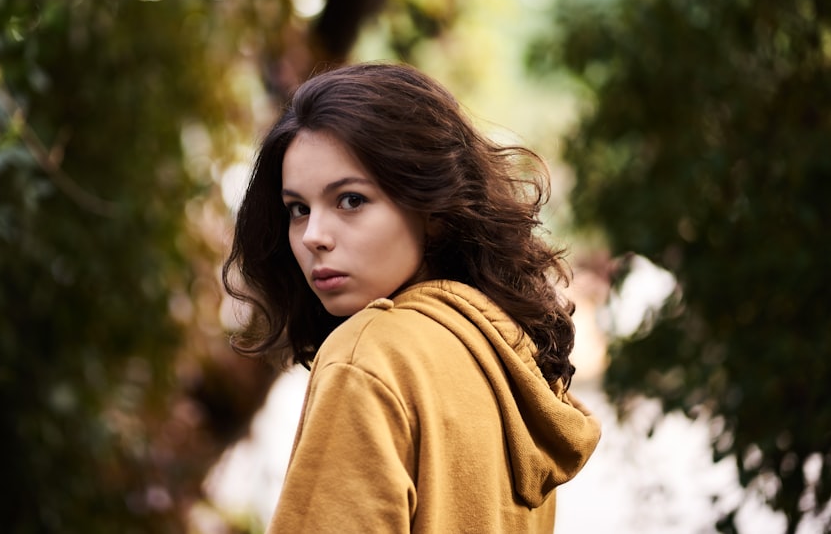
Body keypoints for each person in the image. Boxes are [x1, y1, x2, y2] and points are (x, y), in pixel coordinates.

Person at [222, 61, 601, 532]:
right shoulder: (506, 355)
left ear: (433, 210)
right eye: (298, 209)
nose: (313, 235)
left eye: (351, 200)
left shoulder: (369, 357)